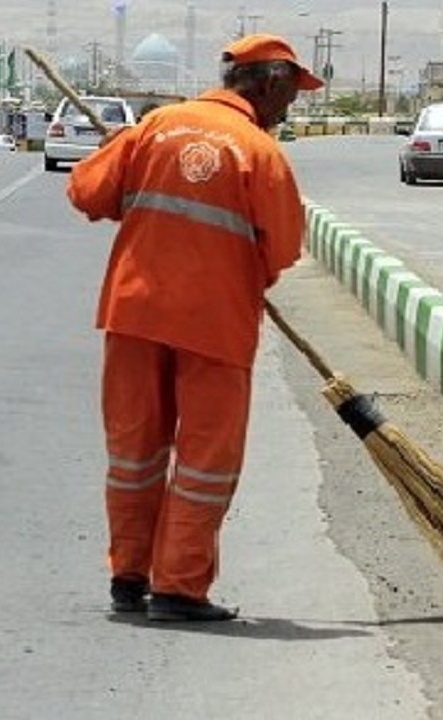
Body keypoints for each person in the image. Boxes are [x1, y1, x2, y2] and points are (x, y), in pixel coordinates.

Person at [66, 34, 323, 622]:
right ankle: (179, 587)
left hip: (134, 315)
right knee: (206, 461)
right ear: (272, 83)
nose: (290, 108)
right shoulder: (260, 152)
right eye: (291, 94)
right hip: (215, 326)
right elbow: (282, 250)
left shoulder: (155, 128)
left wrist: (129, 171)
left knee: (135, 452)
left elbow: (86, 192)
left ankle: (129, 578)